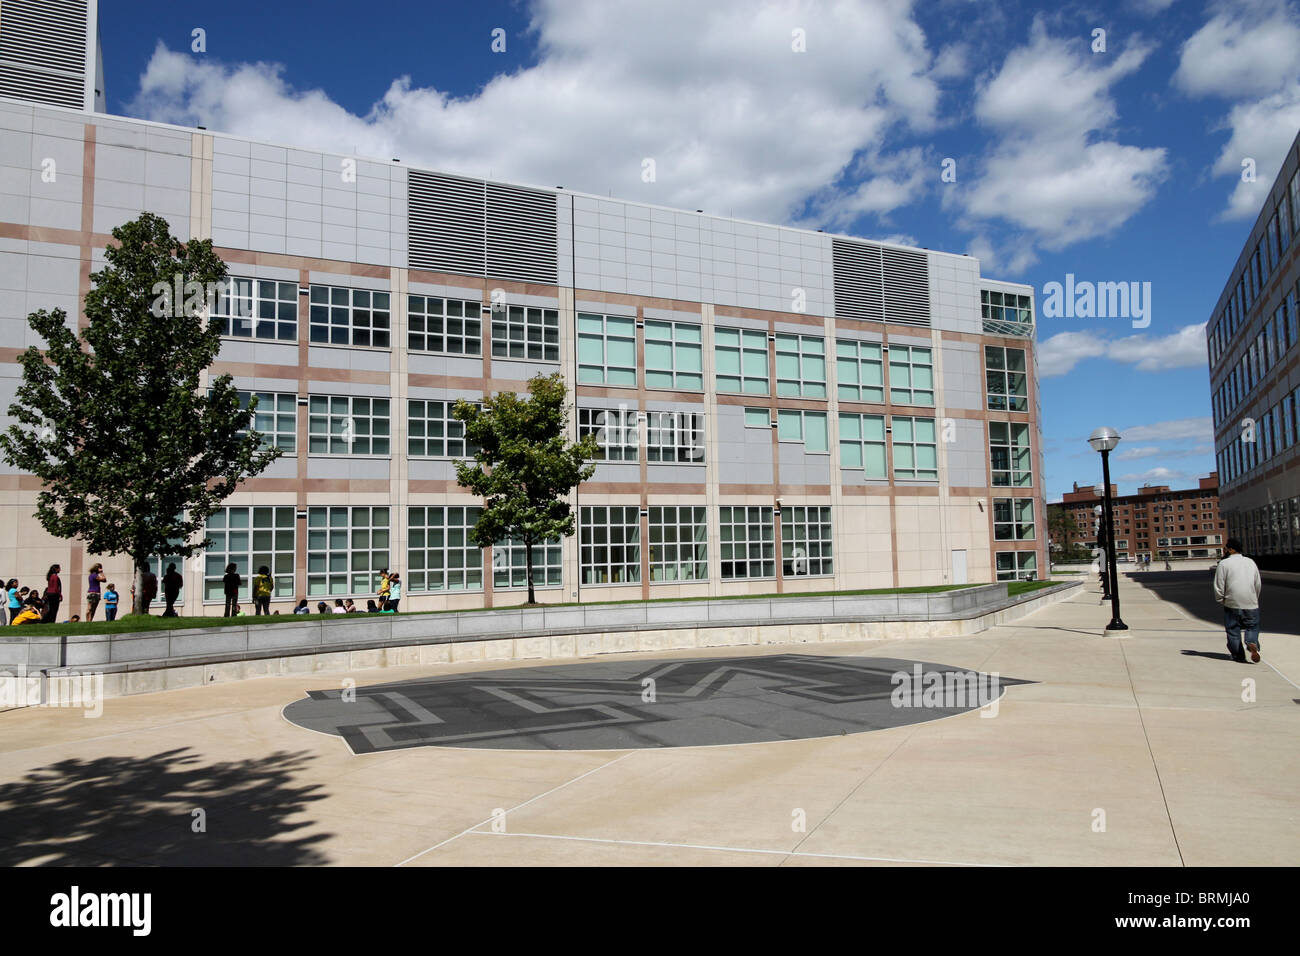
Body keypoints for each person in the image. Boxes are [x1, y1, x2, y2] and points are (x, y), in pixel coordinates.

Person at [1214, 538, 1262, 664]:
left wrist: (1220, 599)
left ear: (1231, 549)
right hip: (1250, 601)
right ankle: (1251, 642)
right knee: (1252, 627)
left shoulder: (1224, 564)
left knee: (1233, 630)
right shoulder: (1250, 562)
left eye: (1226, 548)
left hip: (1232, 602)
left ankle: (1238, 656)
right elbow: (1257, 583)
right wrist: (1254, 597)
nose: (1224, 550)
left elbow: (1219, 584)